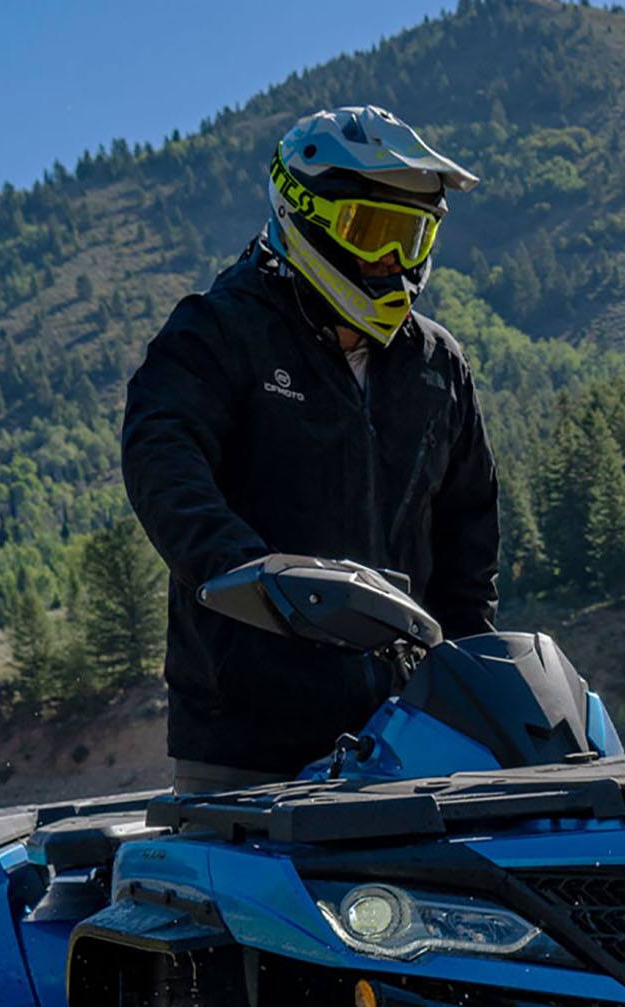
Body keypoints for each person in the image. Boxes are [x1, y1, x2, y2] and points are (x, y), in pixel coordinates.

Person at [121, 105, 499, 793]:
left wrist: (465, 682)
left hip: (405, 734)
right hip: (247, 736)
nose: (391, 260)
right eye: (372, 231)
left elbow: (469, 534)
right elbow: (162, 465)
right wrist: (252, 576)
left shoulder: (437, 364)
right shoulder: (216, 332)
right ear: (305, 214)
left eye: (410, 238)